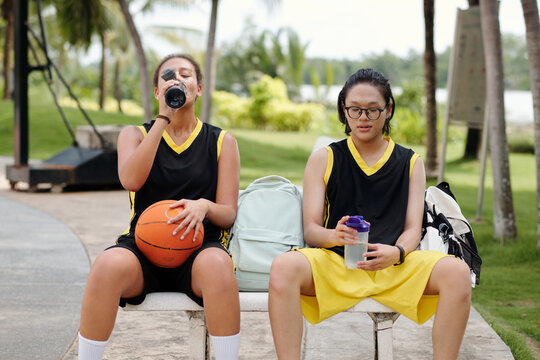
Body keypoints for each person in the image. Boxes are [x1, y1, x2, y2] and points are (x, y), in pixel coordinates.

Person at [268, 68, 471, 360]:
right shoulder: (324, 157)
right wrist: (333, 235)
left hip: (394, 267)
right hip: (337, 264)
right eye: (355, 109)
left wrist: (397, 252)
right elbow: (311, 229)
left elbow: (414, 228)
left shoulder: (410, 162)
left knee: (458, 272)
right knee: (284, 267)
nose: (363, 117)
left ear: (388, 110)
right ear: (343, 110)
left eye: (373, 110)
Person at [78, 54, 241, 360]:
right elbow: (130, 179)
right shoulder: (135, 135)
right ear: (157, 91)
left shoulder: (222, 141)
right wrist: (163, 118)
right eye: (168, 75)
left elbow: (228, 214)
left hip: (199, 249)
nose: (177, 79)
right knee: (105, 266)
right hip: (143, 248)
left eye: (186, 74)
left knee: (219, 268)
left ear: (199, 88)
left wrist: (204, 206)